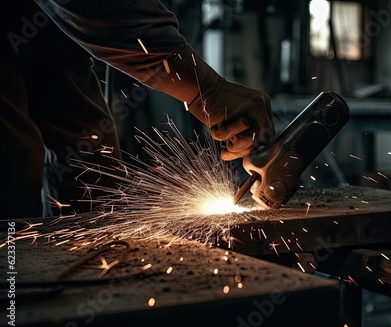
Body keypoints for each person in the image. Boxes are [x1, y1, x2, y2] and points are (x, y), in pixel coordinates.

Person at [1, 0, 275, 219]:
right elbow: (101, 7)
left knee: (94, 169)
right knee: (13, 167)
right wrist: (208, 89)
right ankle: (13, 280)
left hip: (55, 43)